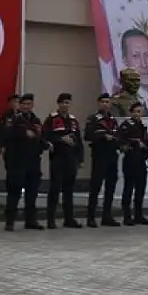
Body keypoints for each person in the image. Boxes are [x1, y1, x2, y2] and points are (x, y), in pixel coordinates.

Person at [3, 93, 46, 231]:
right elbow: (7, 135)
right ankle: (10, 221)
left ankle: (31, 220)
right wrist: (23, 133)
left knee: (32, 192)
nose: (26, 106)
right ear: (20, 105)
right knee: (14, 191)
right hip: (17, 160)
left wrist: (46, 144)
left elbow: (40, 137)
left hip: (33, 160)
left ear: (32, 105)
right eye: (23, 104)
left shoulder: (36, 120)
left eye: (29, 104)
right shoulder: (13, 119)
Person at [42, 93, 84, 229]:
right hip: (58, 157)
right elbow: (45, 137)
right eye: (63, 103)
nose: (65, 105)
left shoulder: (73, 121)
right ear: (58, 104)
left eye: (68, 103)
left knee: (69, 190)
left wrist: (80, 158)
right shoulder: (52, 119)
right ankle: (51, 219)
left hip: (71, 158)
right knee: (55, 188)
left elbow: (79, 140)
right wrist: (60, 140)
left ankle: (69, 218)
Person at [85, 93, 121, 227]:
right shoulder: (93, 118)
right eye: (103, 102)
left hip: (112, 155)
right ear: (98, 103)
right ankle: (91, 216)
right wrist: (103, 136)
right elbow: (88, 135)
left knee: (110, 186)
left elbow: (119, 135)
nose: (106, 104)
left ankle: (107, 216)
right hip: (100, 155)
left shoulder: (113, 120)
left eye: (108, 102)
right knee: (96, 186)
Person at [118, 102, 148, 226]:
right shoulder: (126, 125)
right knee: (128, 188)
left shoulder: (142, 126)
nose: (137, 114)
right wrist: (134, 142)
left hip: (141, 161)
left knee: (140, 189)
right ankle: (127, 216)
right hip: (130, 160)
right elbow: (120, 140)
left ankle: (139, 215)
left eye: (140, 112)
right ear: (131, 112)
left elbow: (146, 142)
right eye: (135, 111)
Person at [0, 94, 20, 176]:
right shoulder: (5, 116)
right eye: (14, 102)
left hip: (22, 147)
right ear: (10, 103)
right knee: (10, 171)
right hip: (9, 147)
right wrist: (2, 146)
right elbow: (1, 132)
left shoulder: (25, 115)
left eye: (18, 102)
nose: (16, 104)